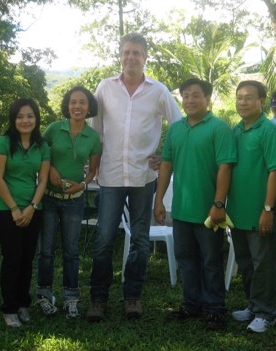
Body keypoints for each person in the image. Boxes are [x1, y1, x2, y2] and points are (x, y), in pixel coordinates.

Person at [87, 32, 183, 322]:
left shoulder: (158, 91)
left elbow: (179, 125)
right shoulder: (105, 87)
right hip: (111, 175)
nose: (131, 57)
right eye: (126, 52)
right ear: (120, 56)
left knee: (140, 241)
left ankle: (132, 297)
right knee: (104, 239)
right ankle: (98, 299)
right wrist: (92, 165)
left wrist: (165, 156)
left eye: (136, 53)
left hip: (143, 176)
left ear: (145, 57)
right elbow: (95, 131)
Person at [154, 78, 236, 331]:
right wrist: (158, 200)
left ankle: (215, 309)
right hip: (181, 210)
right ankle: (191, 304)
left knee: (211, 260)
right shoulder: (175, 129)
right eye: (186, 96)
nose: (190, 100)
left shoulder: (219, 128)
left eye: (195, 95)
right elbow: (166, 165)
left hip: (209, 211)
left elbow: (225, 167)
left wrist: (219, 203)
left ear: (207, 99)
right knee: (186, 259)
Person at [36, 86, 102, 318]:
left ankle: (71, 298)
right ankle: (44, 296)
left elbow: (92, 171)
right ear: (67, 105)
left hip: (74, 201)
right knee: (45, 251)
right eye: (73, 102)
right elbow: (38, 152)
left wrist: (81, 185)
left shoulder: (93, 137)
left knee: (71, 252)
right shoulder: (55, 128)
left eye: (82, 102)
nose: (77, 106)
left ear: (89, 107)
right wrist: (50, 169)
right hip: (49, 198)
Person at [227, 80, 276, 334]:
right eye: (239, 97)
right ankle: (253, 305)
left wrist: (268, 209)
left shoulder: (268, 130)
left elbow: (275, 170)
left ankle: (266, 313)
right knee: (246, 262)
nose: (243, 102)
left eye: (249, 97)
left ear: (261, 101)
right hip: (237, 212)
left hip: (260, 212)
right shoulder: (237, 130)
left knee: (263, 264)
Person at [0, 98, 50, 327]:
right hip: (7, 210)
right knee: (12, 259)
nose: (25, 120)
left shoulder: (42, 145)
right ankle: (9, 308)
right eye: (20, 116)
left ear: (36, 119)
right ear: (13, 119)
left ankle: (23, 304)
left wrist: (32, 207)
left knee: (27, 259)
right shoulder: (4, 143)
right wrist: (15, 209)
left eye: (30, 116)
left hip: (33, 209)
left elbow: (43, 180)